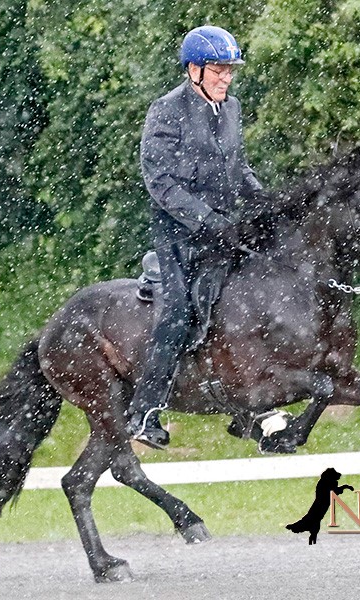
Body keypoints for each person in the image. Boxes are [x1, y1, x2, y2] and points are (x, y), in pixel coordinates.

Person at [125, 25, 263, 449]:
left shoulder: (232, 109)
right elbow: (159, 180)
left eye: (230, 71)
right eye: (219, 70)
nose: (226, 77)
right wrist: (204, 219)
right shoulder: (166, 111)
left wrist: (266, 204)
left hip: (223, 228)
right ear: (194, 70)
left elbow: (238, 170)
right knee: (180, 312)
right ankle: (144, 410)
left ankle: (251, 404)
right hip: (179, 235)